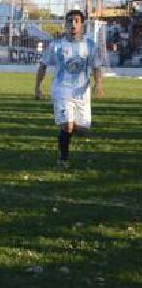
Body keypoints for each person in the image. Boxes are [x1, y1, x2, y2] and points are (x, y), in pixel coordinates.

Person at [34, 9, 104, 169]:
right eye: (70, 21)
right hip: (62, 90)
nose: (73, 24)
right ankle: (63, 158)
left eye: (76, 21)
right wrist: (37, 88)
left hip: (82, 92)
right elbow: (43, 65)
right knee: (67, 125)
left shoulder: (89, 45)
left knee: (83, 130)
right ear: (65, 24)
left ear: (82, 24)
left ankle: (68, 136)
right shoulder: (56, 45)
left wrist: (98, 83)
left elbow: (97, 66)